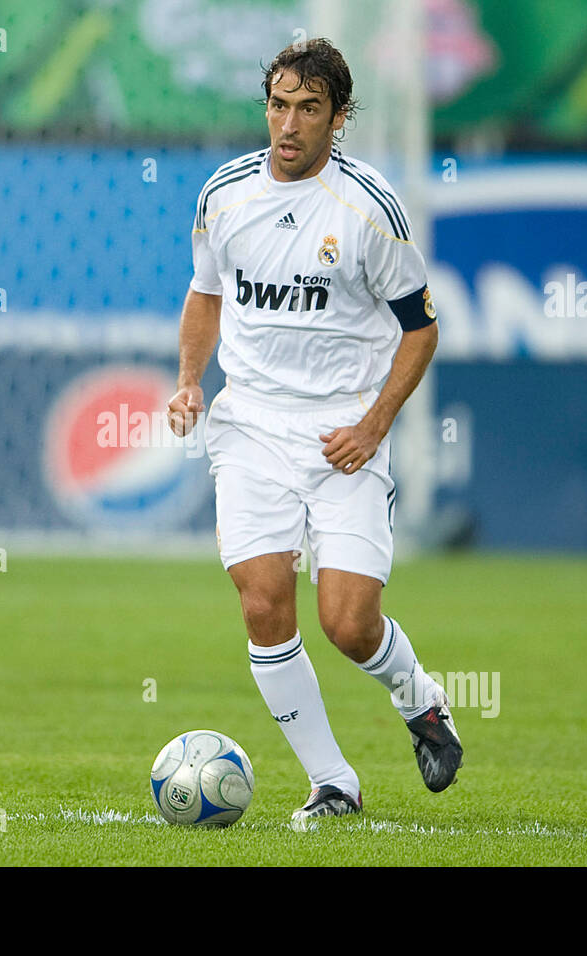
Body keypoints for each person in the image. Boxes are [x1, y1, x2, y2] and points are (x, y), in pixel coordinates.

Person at [168, 38, 462, 821]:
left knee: (347, 622)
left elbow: (421, 329)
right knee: (264, 602)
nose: (288, 124)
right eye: (278, 104)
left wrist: (372, 426)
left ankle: (423, 704)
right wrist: (191, 380)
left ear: (338, 118)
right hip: (252, 425)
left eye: (308, 108)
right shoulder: (224, 193)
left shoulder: (370, 209)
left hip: (342, 436)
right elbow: (205, 294)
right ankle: (334, 783)